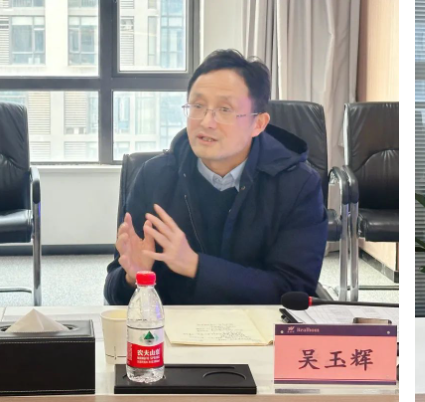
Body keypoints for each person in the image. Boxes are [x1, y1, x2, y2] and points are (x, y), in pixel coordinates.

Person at [104, 49, 328, 305]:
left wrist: (195, 265)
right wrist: (132, 278)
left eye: (224, 109)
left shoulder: (297, 185)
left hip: (258, 328)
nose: (207, 121)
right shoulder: (154, 177)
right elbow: (113, 290)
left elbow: (293, 290)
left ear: (258, 123)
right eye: (198, 106)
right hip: (169, 326)